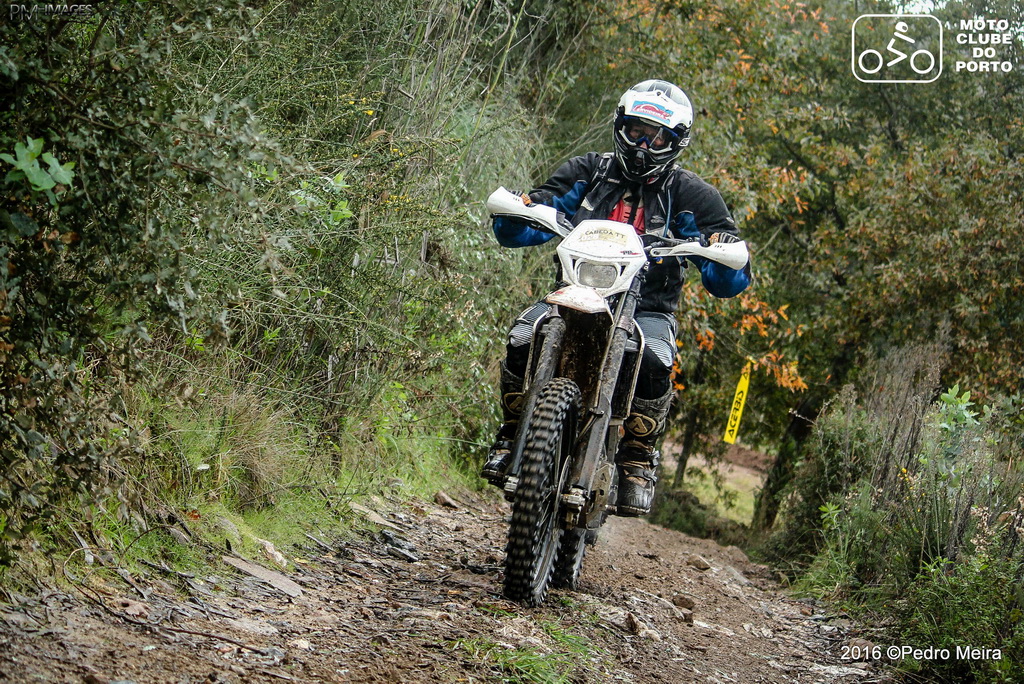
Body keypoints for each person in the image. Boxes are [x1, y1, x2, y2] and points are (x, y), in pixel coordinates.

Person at [482, 79, 751, 516]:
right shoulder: (588, 171)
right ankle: (512, 432)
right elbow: (537, 210)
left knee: (656, 359)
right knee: (523, 335)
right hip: (573, 291)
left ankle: (637, 458)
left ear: (676, 141)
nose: (644, 145)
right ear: (620, 126)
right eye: (637, 131)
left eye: (657, 137)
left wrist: (719, 250)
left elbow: (729, 272)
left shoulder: (692, 194)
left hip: (647, 306)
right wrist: (521, 208)